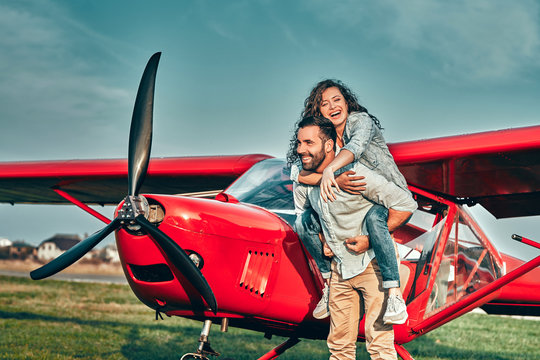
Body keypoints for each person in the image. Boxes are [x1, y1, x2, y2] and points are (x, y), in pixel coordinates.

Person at [288, 79, 412, 324]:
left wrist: (329, 172)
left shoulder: (360, 122)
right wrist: (334, 179)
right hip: (354, 197)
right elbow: (297, 172)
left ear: (347, 103)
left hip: (385, 197)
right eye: (324, 104)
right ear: (318, 111)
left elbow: (355, 148)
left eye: (337, 100)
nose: (332, 106)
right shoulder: (325, 136)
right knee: (303, 221)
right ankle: (328, 284)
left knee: (375, 220)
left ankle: (394, 294)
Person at [292, 116, 417, 359]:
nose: (301, 150)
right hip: (339, 270)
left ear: (328, 146)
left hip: (372, 267)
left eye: (308, 143)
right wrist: (323, 238)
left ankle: (393, 295)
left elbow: (405, 205)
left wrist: (370, 240)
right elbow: (305, 218)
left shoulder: (356, 175)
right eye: (298, 143)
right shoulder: (304, 183)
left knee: (380, 346)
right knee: (339, 348)